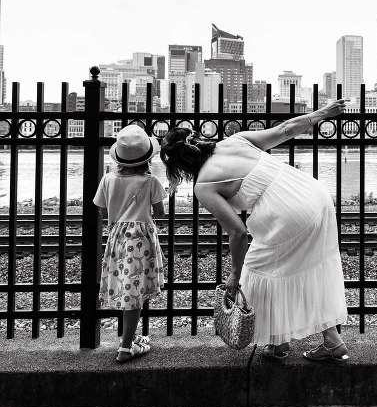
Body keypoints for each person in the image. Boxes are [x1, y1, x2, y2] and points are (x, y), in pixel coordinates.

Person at [159, 99, 349, 362]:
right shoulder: (236, 141)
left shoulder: (203, 185)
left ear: (180, 168)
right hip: (313, 193)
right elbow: (285, 130)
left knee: (257, 270)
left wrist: (234, 276)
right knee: (306, 265)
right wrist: (323, 113)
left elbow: (237, 233)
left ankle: (279, 343)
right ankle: (329, 340)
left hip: (288, 210)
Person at [95, 124, 167, 363]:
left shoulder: (107, 179)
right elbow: (160, 214)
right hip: (141, 241)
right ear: (147, 158)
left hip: (117, 238)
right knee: (134, 293)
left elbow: (103, 211)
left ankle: (129, 338)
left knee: (127, 289)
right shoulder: (151, 181)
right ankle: (126, 347)